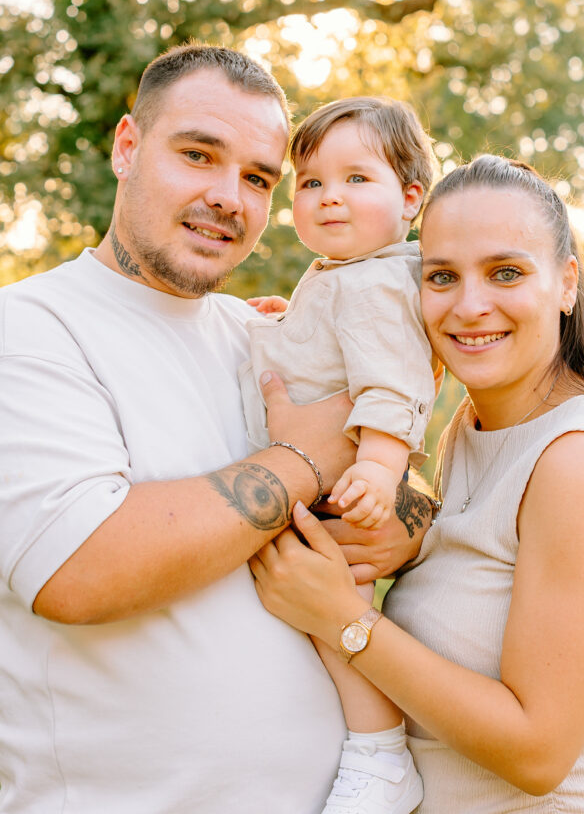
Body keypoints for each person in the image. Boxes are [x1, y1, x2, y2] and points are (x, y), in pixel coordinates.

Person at [0, 44, 430, 814]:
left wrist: (403, 516)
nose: (229, 196)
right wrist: (305, 458)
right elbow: (78, 569)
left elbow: (399, 500)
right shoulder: (30, 329)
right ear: (127, 147)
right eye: (198, 154)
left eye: (259, 178)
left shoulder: (263, 333)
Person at [249, 154, 584, 814]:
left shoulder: (580, 461)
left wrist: (344, 621)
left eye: (505, 272)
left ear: (565, 284)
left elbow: (537, 753)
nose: (470, 305)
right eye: (441, 276)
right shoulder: (470, 427)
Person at [240, 97, 440, 813]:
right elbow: (327, 356)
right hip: (321, 479)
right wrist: (281, 325)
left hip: (344, 484)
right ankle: (371, 748)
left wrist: (381, 470)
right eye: (311, 182)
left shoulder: (376, 283)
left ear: (410, 198)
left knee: (341, 621)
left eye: (357, 179)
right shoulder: (343, 273)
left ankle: (380, 753)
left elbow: (393, 385)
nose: (329, 198)